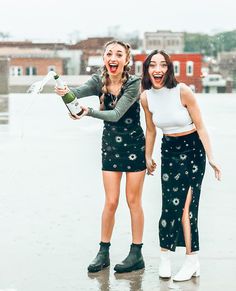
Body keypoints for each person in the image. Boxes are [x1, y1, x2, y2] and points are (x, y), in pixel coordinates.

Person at [55, 40, 146, 273]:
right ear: (104, 58)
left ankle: (136, 253)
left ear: (127, 60)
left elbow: (115, 114)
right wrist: (66, 94)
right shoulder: (98, 80)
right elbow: (76, 93)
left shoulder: (134, 83)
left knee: (133, 201)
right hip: (111, 148)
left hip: (134, 146)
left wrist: (87, 112)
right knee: (111, 201)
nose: (113, 58)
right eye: (109, 54)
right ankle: (103, 251)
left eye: (119, 54)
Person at [140, 50, 221, 281]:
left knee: (186, 208)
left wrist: (211, 156)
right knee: (168, 205)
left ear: (169, 68)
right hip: (169, 150)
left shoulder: (182, 91)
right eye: (153, 65)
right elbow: (151, 129)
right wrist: (148, 157)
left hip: (193, 149)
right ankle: (165, 256)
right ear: (147, 69)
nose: (158, 69)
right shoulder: (146, 97)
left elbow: (201, 126)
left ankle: (192, 259)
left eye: (162, 65)